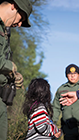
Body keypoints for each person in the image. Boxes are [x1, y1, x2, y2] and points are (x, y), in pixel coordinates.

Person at [0, 0, 32, 139]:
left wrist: (13, 75)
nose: (19, 25)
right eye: (21, 19)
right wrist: (11, 66)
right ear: (14, 6)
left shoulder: (5, 32)